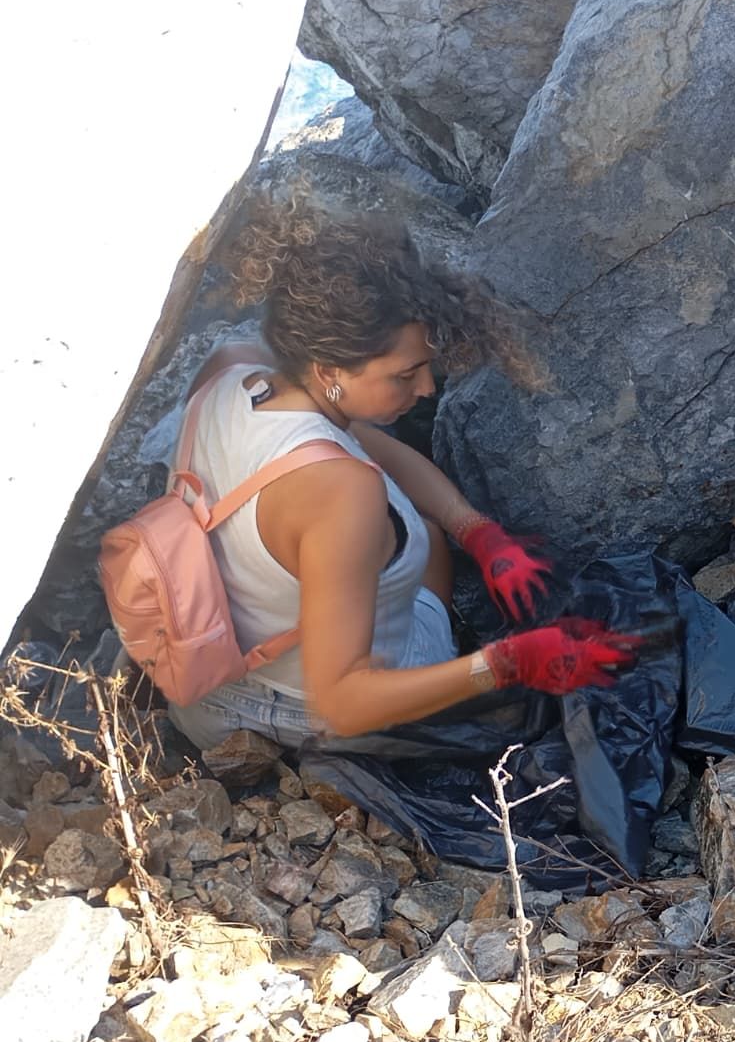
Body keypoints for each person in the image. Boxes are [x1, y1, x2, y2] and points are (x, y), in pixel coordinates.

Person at [166, 192, 638, 752]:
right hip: (283, 710)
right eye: (405, 374)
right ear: (331, 369)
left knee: (432, 536)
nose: (427, 389)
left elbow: (361, 444)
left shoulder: (238, 369)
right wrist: (505, 663)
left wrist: (477, 531)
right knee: (420, 547)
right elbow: (344, 703)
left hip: (200, 669)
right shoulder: (343, 494)